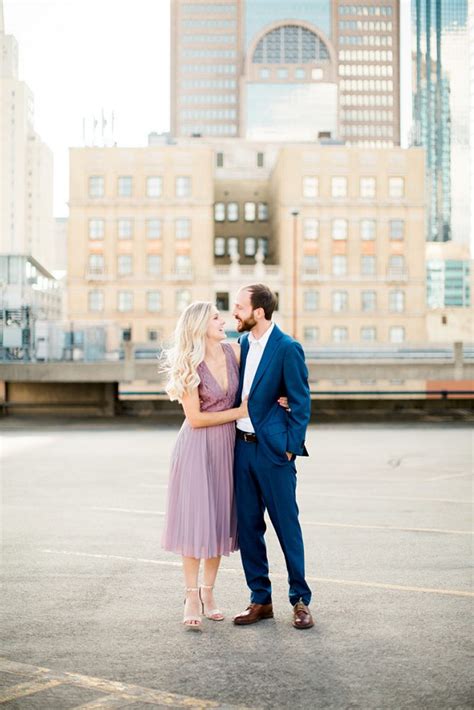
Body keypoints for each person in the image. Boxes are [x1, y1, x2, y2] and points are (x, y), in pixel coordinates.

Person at [160, 301, 288, 631]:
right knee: (195, 525)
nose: (223, 321)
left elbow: (264, 373)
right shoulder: (190, 363)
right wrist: (240, 412)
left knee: (217, 523)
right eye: (216, 317)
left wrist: (283, 395)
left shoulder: (234, 352)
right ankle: (190, 596)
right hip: (196, 449)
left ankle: (209, 593)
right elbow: (196, 418)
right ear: (200, 325)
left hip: (226, 448)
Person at [232, 283, 314, 630]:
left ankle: (300, 600)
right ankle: (260, 600)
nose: (234, 312)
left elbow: (301, 401)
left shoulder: (287, 348)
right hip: (241, 448)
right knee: (249, 527)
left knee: (286, 527)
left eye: (238, 307)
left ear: (259, 312)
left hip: (274, 453)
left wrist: (289, 447)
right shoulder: (241, 345)